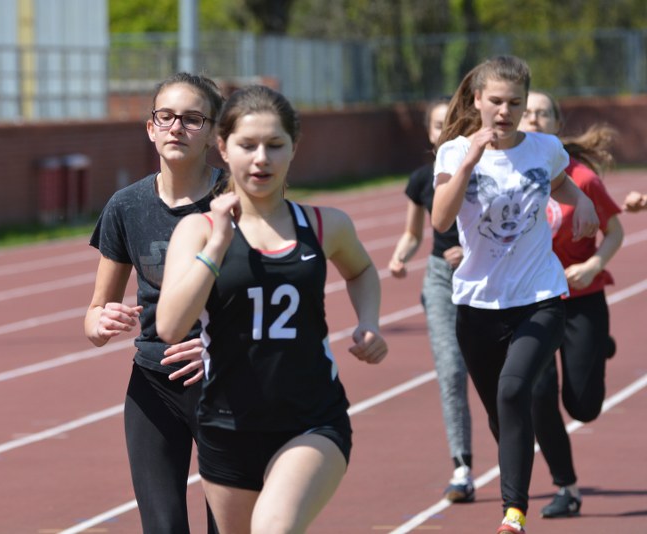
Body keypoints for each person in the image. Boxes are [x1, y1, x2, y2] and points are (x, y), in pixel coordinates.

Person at [156, 85, 389, 533]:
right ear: (223, 148)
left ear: (293, 148)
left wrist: (369, 322)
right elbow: (170, 325)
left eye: (274, 145)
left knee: (274, 528)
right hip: (227, 425)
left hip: (311, 421)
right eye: (247, 145)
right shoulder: (197, 231)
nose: (261, 158)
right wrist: (218, 245)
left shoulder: (324, 225)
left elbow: (361, 271)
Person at [431, 55, 599, 534]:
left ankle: (513, 514)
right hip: (477, 305)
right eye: (496, 101)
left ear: (525, 105)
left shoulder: (545, 148)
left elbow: (560, 183)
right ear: (478, 100)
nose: (505, 111)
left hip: (539, 297)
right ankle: (516, 464)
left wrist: (582, 201)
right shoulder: (453, 153)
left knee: (514, 390)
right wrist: (470, 160)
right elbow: (441, 220)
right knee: (502, 415)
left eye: (515, 103)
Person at [84, 72, 224, 534]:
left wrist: (220, 347)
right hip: (153, 384)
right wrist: (102, 322)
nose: (177, 127)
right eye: (166, 116)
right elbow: (94, 315)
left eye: (192, 118)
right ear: (150, 128)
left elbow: (276, 296)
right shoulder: (126, 206)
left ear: (213, 133)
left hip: (227, 382)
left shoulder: (238, 201)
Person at [519, 90, 623, 518]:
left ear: (556, 125)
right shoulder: (505, 176)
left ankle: (598, 346)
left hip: (581, 299)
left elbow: (615, 232)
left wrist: (594, 263)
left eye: (543, 113)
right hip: (532, 302)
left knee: (583, 407)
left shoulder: (582, 179)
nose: (534, 119)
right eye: (527, 112)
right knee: (538, 392)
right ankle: (566, 486)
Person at [388, 97, 475, 503]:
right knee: (451, 371)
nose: (447, 130)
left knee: (502, 378)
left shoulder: (484, 172)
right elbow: (413, 233)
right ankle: (462, 467)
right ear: (429, 132)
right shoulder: (422, 179)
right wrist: (400, 257)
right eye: (440, 124)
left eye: (455, 122)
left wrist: (471, 252)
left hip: (489, 280)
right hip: (441, 281)